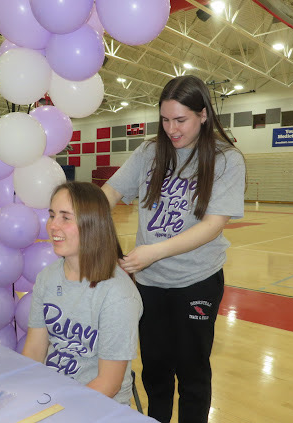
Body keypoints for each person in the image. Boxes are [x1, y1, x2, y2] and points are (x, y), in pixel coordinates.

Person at [102, 75, 246, 422]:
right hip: (150, 284)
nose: (171, 128)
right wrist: (87, 217)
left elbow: (212, 226)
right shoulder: (150, 151)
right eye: (165, 120)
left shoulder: (227, 159)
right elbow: (111, 191)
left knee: (193, 373)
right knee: (155, 369)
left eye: (180, 120)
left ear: (203, 115)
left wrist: (154, 251)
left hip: (196, 281)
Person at [22, 181, 143, 405]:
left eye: (65, 218)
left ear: (92, 224)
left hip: (97, 406)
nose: (52, 226)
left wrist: (57, 408)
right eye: (52, 215)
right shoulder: (47, 278)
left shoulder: (118, 295)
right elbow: (35, 348)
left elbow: (109, 383)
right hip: (53, 395)